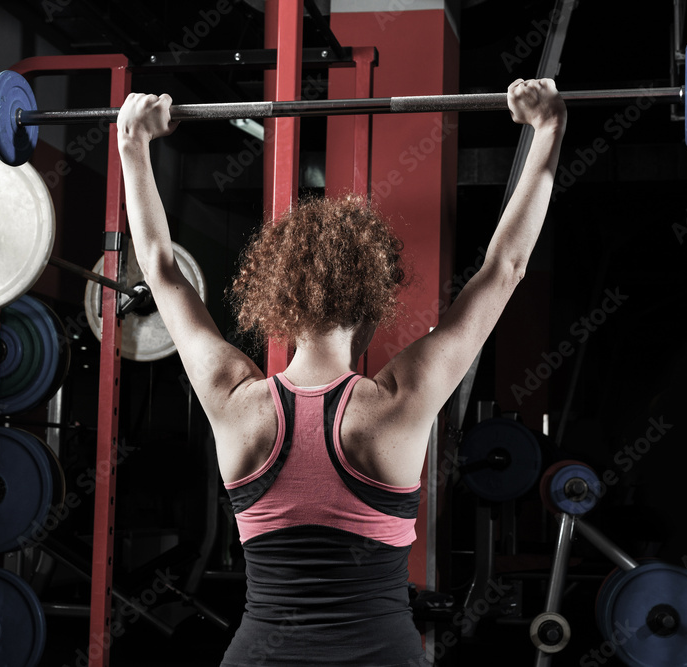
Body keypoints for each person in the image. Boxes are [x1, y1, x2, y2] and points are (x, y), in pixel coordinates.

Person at [116, 78, 566, 666]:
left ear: (278, 305)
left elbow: (160, 269)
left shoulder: (235, 400)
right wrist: (548, 130)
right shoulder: (398, 402)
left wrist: (133, 144)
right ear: (373, 310)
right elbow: (504, 268)